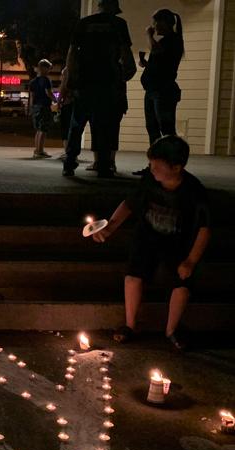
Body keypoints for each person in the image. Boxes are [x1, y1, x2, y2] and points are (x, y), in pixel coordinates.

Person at [93, 136, 210, 351]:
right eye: (150, 164)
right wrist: (109, 228)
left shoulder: (194, 192)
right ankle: (130, 324)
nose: (152, 169)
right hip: (147, 236)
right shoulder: (149, 181)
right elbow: (129, 204)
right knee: (133, 276)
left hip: (178, 242)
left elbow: (204, 229)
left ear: (176, 167)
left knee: (181, 285)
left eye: (157, 166)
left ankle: (172, 330)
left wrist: (191, 261)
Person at [61, 0, 136, 178]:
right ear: (113, 8)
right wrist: (127, 73)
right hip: (108, 81)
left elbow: (72, 52)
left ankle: (69, 162)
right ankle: (103, 165)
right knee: (103, 123)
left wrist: (70, 79)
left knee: (77, 123)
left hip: (85, 81)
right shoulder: (119, 24)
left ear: (99, 6)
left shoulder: (84, 23)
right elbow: (126, 52)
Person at [134, 9, 184, 176]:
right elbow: (160, 65)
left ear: (165, 22)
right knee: (153, 129)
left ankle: (173, 166)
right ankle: (154, 167)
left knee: (166, 129)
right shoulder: (165, 41)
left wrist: (149, 35)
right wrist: (145, 63)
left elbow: (156, 51)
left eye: (156, 22)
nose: (154, 26)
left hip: (163, 91)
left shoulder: (173, 40)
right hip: (152, 90)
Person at [29, 59, 56, 158]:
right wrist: (56, 100)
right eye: (48, 68)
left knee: (38, 129)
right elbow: (48, 93)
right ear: (43, 68)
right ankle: (40, 151)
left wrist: (31, 108)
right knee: (43, 129)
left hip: (35, 106)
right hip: (44, 106)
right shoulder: (46, 80)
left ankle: (37, 150)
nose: (49, 70)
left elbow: (32, 96)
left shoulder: (33, 81)